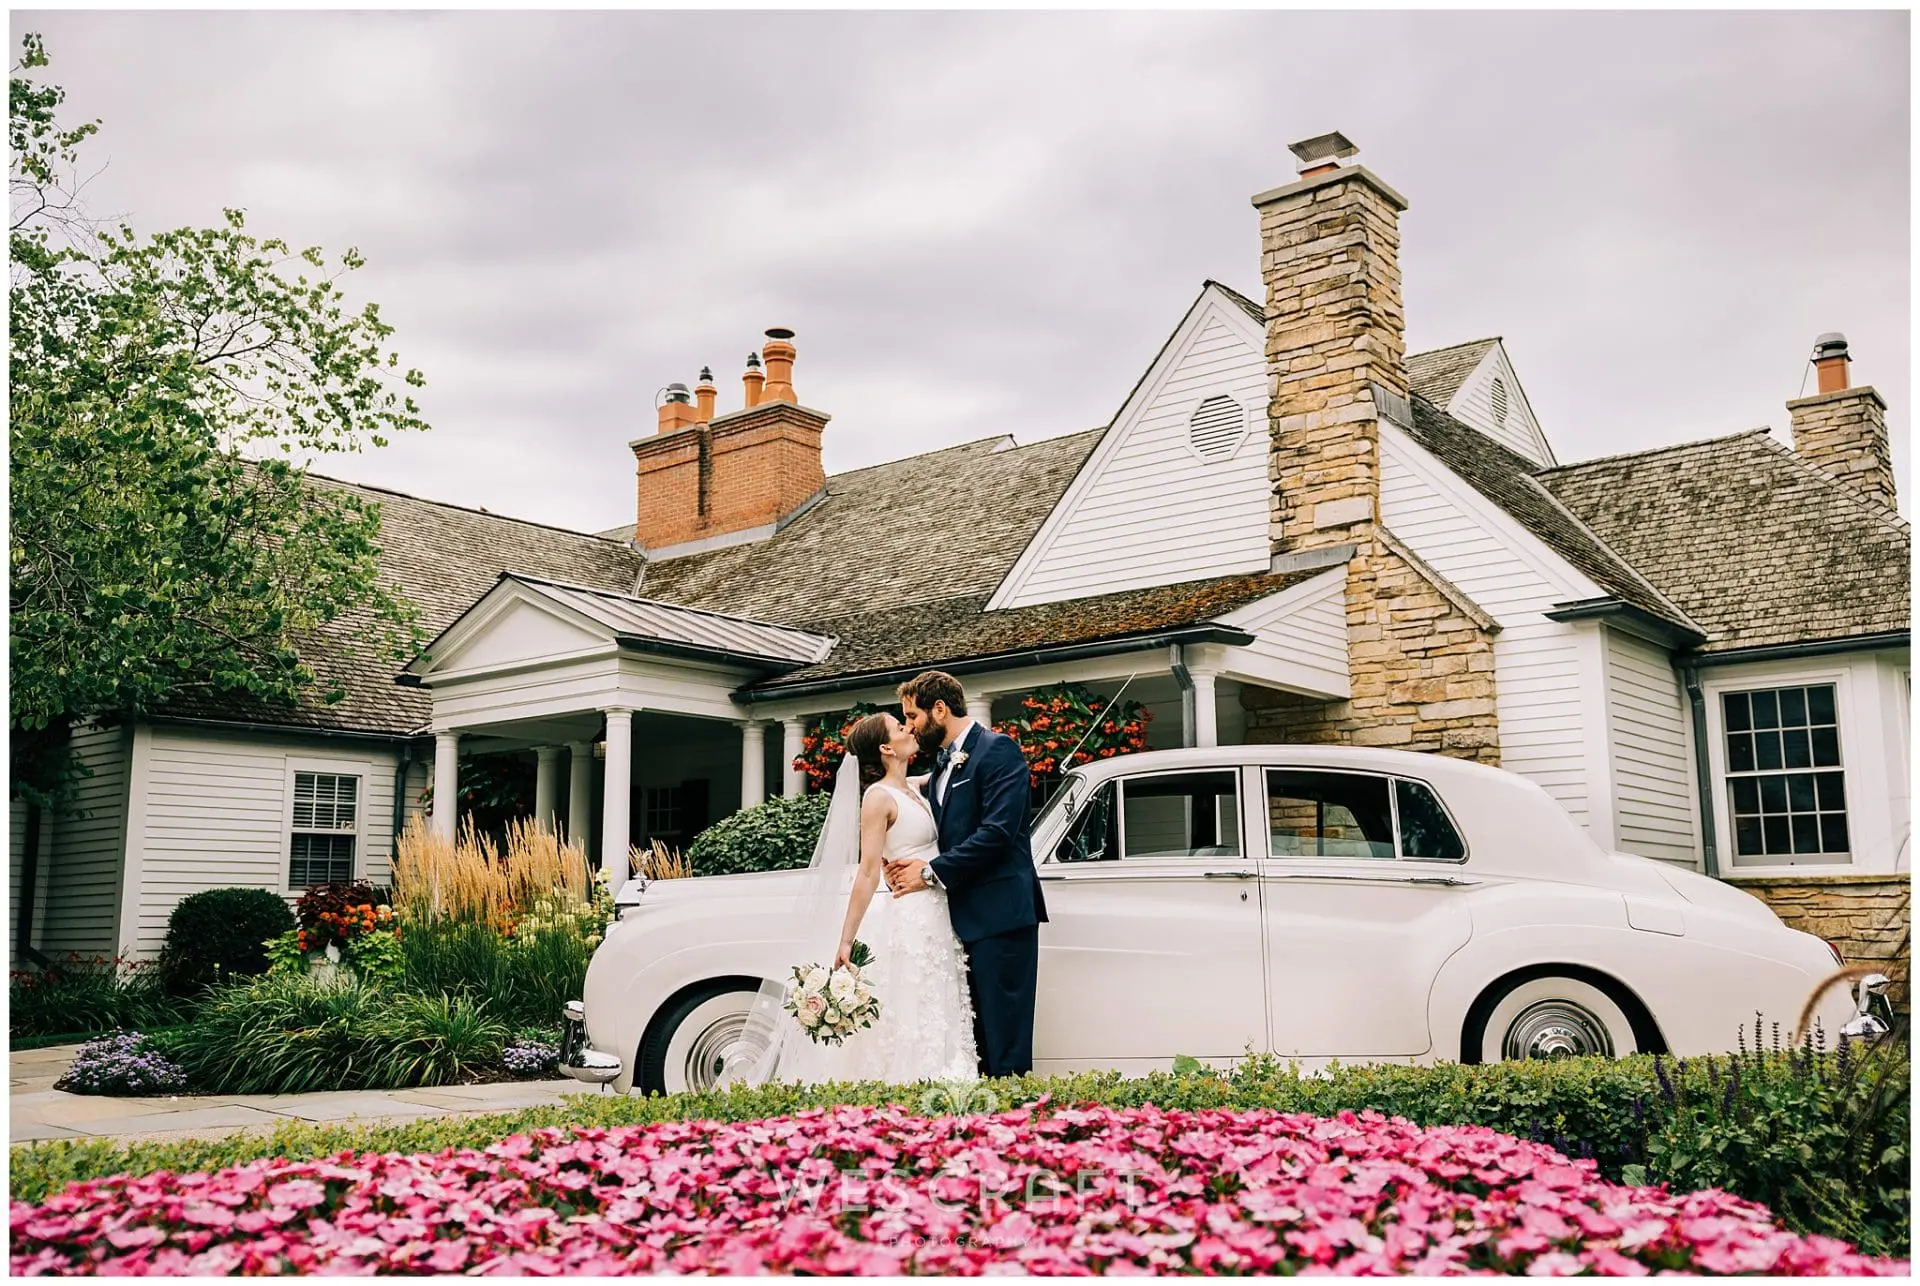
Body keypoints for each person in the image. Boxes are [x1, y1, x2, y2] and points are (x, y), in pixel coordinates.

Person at [727, 713, 978, 1087]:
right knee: (912, 1012)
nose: (909, 728)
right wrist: (846, 940)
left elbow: (956, 771)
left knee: (936, 1008)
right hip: (909, 914)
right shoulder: (878, 798)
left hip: (935, 912)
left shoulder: (914, 787)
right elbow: (867, 872)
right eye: (899, 727)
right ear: (885, 748)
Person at [886, 670, 1047, 1078]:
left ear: (939, 708)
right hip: (958, 921)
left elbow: (997, 833)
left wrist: (929, 871)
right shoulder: (941, 767)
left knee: (1005, 1037)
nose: (911, 727)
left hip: (1001, 915)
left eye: (913, 716)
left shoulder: (998, 751)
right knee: (975, 1039)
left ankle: (1017, 1126)